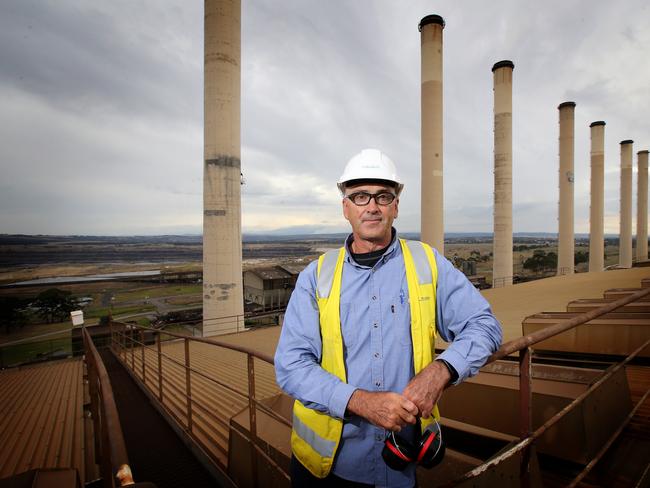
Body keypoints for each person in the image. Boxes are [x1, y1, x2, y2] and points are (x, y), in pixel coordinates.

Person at [274, 148, 502, 487]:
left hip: (400, 462)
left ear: (395, 206)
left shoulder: (427, 263)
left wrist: (442, 369)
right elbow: (292, 364)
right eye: (360, 196)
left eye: (383, 196)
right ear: (346, 208)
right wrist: (359, 401)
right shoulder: (316, 276)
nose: (372, 206)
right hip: (326, 468)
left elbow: (484, 325)